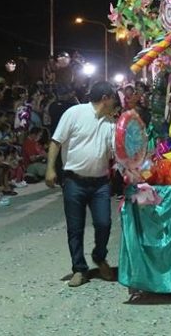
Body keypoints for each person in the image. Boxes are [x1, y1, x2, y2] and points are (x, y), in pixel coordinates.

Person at [45, 81, 118, 287]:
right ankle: (79, 269)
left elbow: (117, 152)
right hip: (74, 181)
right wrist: (50, 168)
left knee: (104, 223)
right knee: (75, 228)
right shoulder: (74, 113)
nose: (115, 102)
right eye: (113, 98)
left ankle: (99, 256)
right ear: (105, 98)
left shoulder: (111, 123)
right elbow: (56, 141)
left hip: (101, 183)